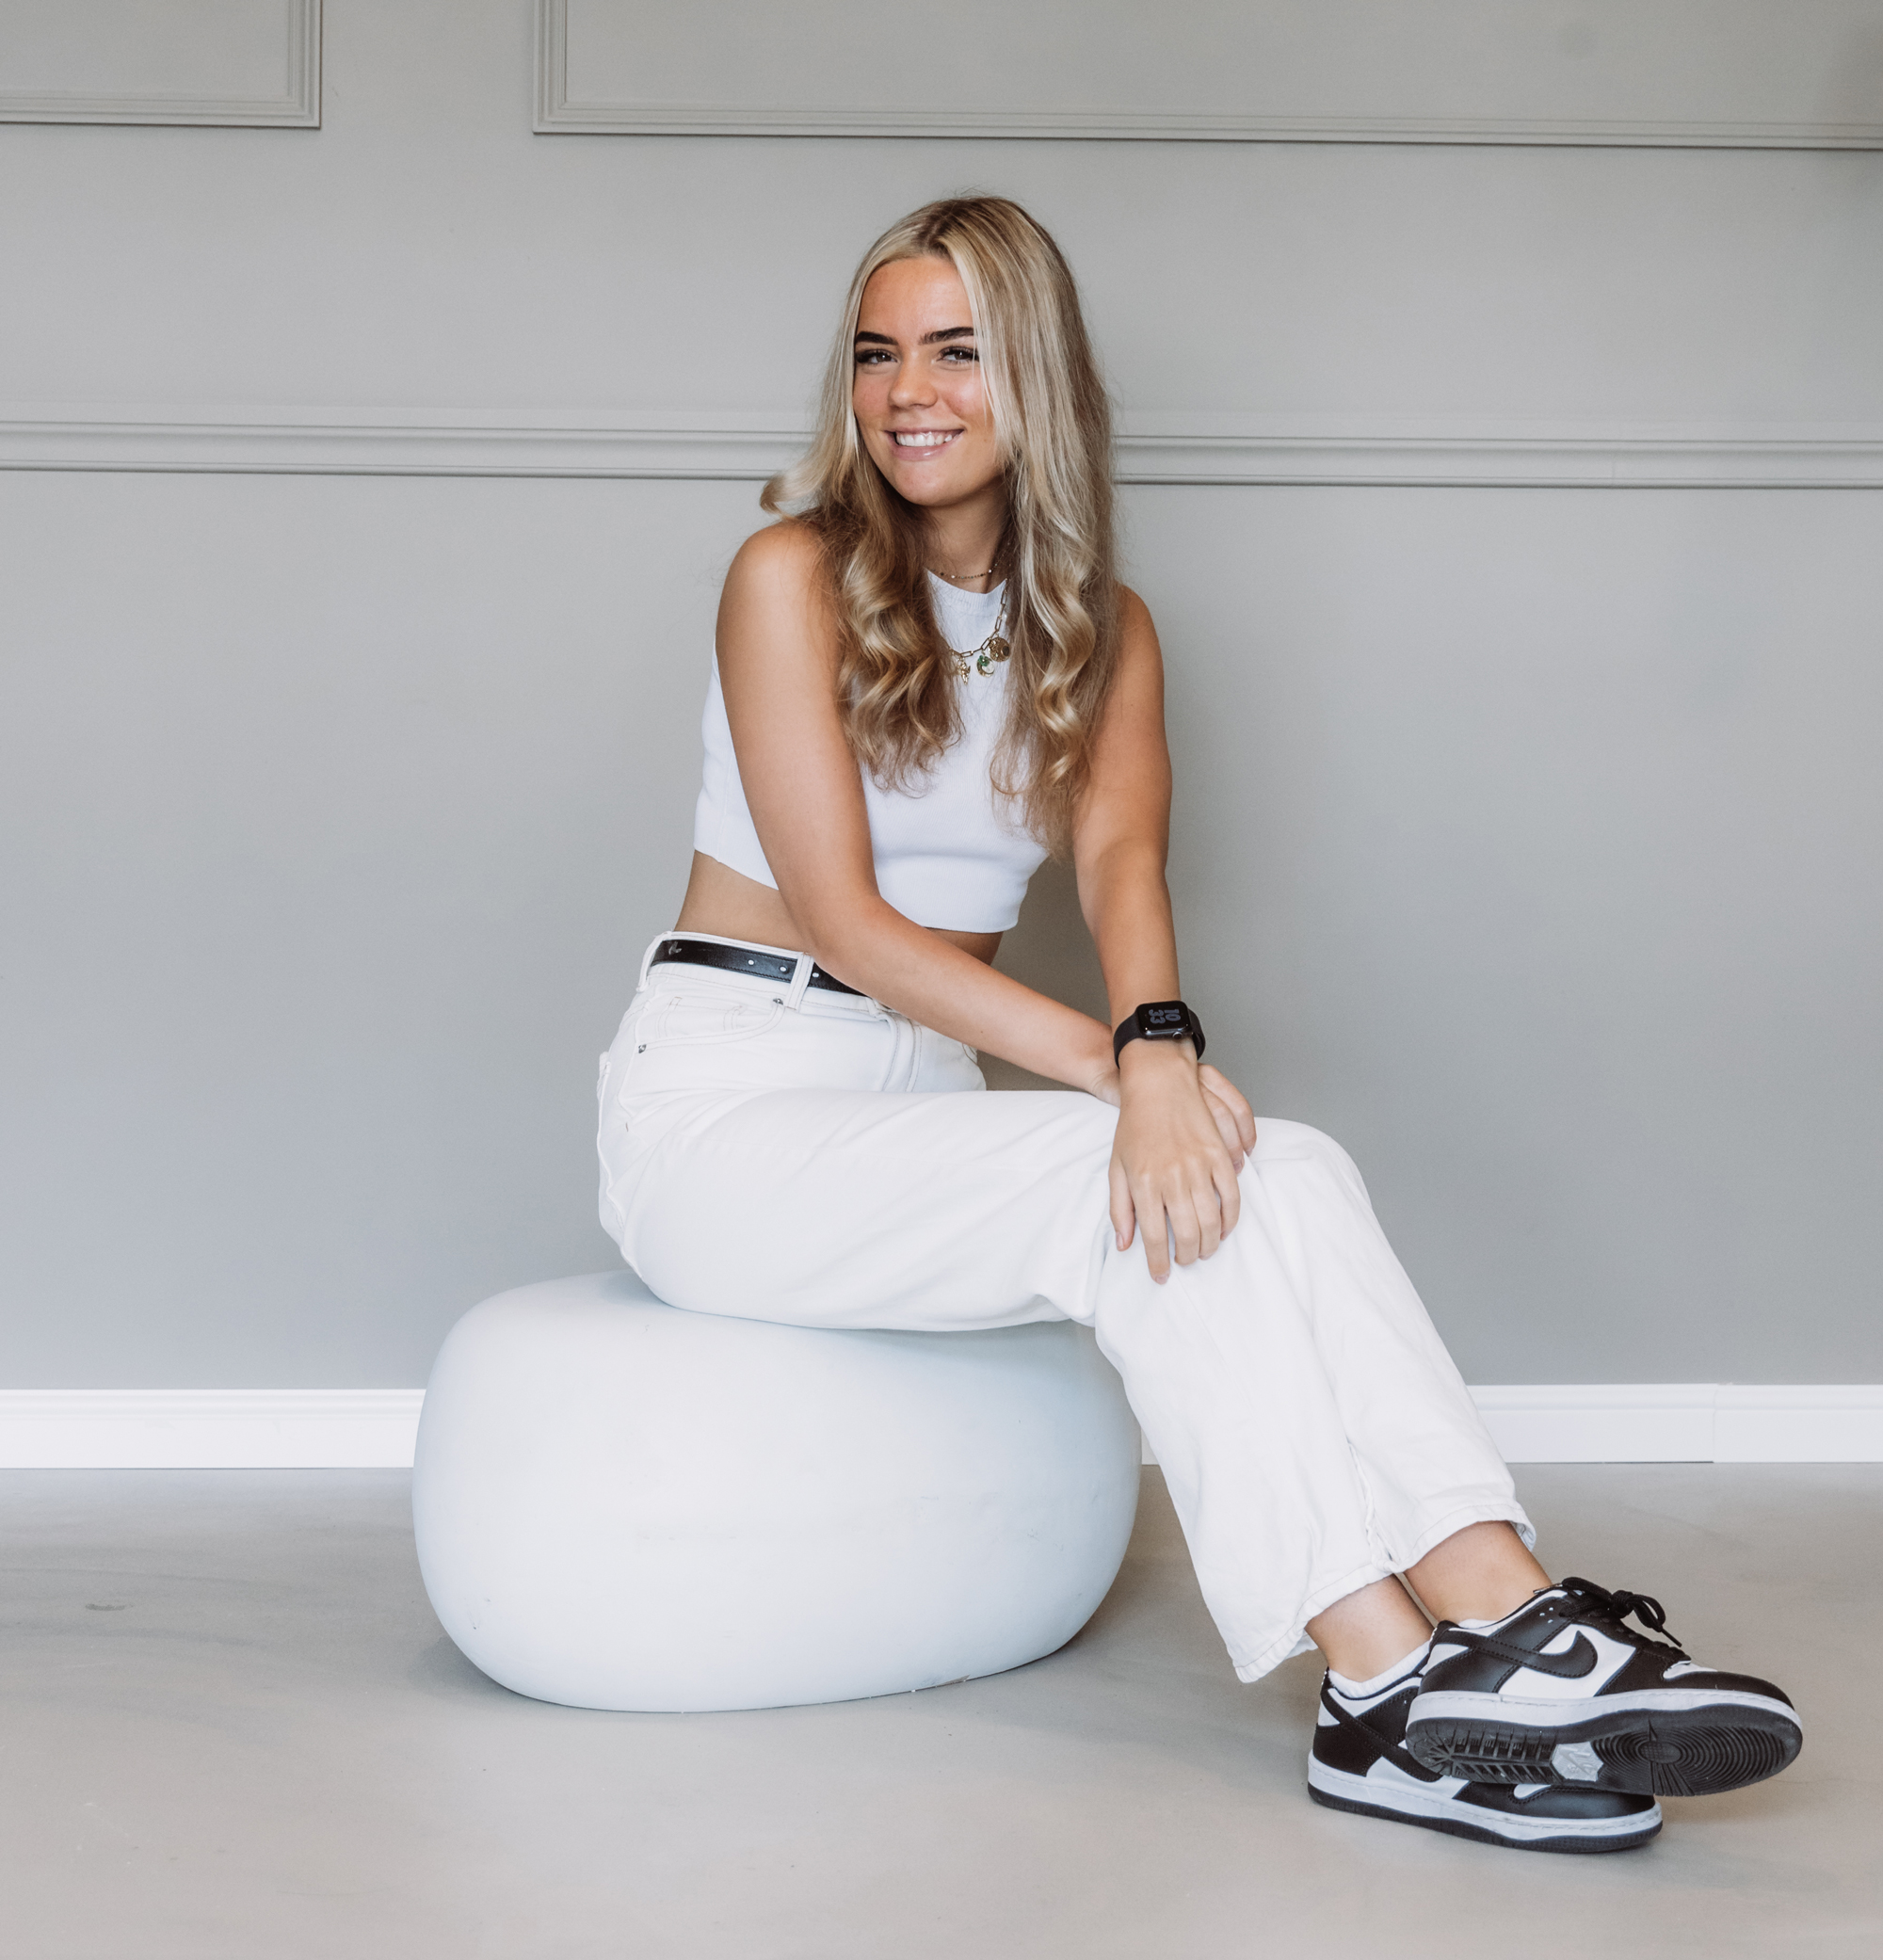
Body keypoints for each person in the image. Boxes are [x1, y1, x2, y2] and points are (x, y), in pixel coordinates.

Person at [595, 196, 1800, 1853]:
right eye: (878, 354)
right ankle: (1382, 1680)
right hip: (729, 1113)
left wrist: (1162, 1048)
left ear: (1036, 375)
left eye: (956, 351)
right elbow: (850, 922)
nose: (907, 391)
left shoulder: (1106, 631)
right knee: (1145, 1192)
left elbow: (1121, 869)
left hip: (919, 1102)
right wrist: (1125, 1071)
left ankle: (1506, 1607)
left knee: (1281, 1163)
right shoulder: (787, 575)